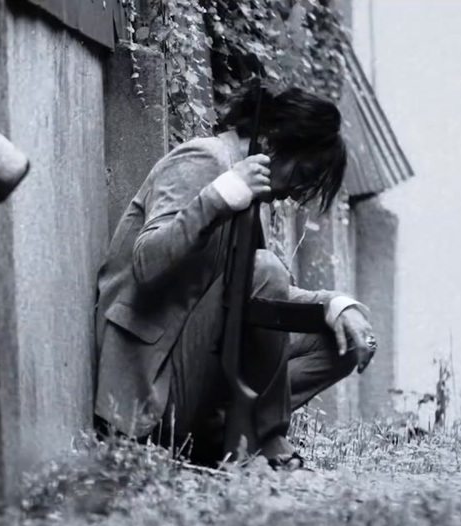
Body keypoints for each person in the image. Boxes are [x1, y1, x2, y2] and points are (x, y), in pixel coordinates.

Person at [93, 83, 377, 468]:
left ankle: (232, 432)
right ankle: (263, 438)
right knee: (267, 270)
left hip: (190, 369)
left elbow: (259, 299)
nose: (295, 191)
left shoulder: (247, 190)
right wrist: (217, 197)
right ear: (274, 140)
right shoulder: (205, 161)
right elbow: (146, 264)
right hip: (149, 384)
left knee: (338, 340)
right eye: (302, 172)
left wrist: (336, 306)